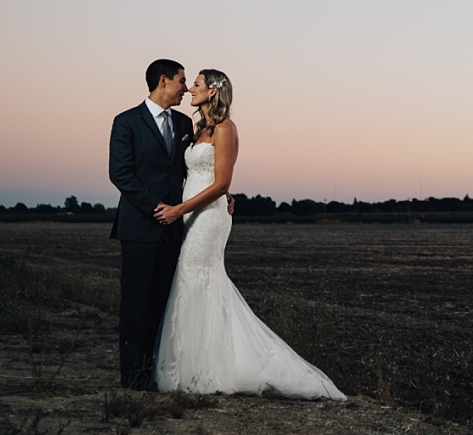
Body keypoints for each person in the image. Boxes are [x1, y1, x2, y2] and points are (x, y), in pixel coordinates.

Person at [152, 69, 346, 399]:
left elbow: (222, 183)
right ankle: (192, 362)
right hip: (193, 213)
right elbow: (203, 177)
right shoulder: (199, 129)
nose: (190, 91)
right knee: (192, 281)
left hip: (208, 217)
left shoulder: (226, 128)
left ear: (212, 91)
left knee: (196, 277)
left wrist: (180, 209)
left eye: (196, 85)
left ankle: (208, 368)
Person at [108, 58, 194, 390]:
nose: (186, 89)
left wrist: (222, 195)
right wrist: (155, 207)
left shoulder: (186, 124)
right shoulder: (126, 122)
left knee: (161, 303)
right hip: (139, 227)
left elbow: (196, 171)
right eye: (182, 81)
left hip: (173, 230)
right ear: (163, 81)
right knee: (134, 304)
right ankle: (133, 378)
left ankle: (156, 371)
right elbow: (120, 173)